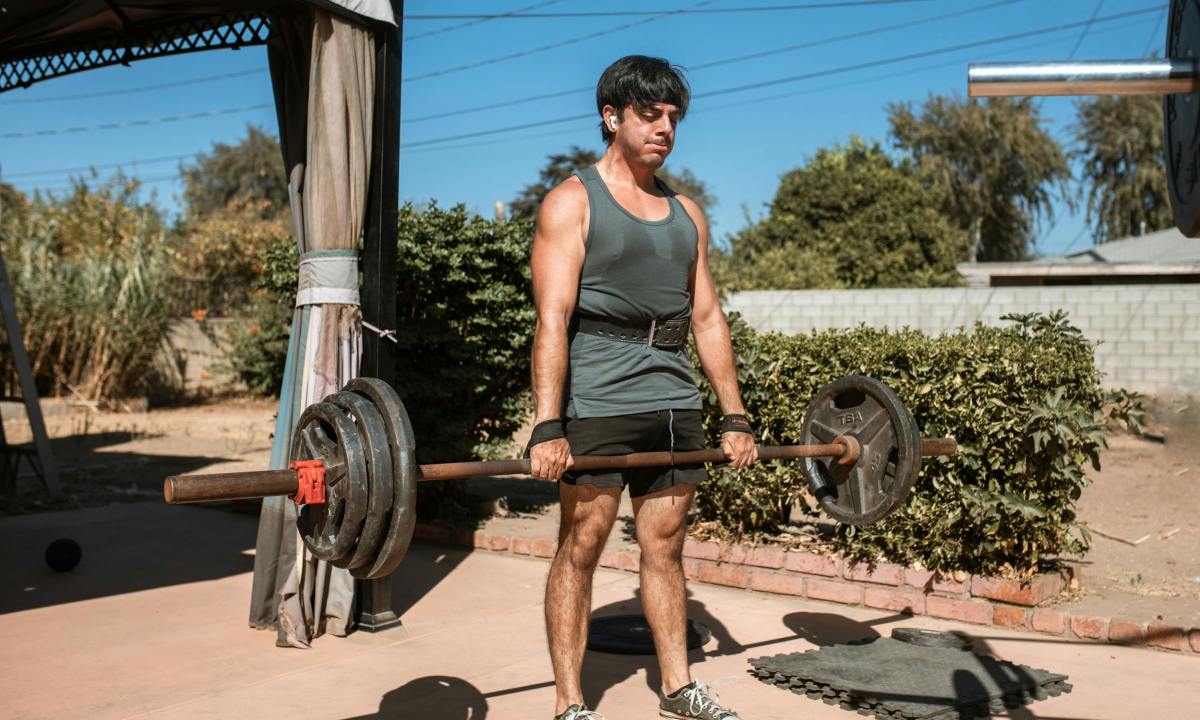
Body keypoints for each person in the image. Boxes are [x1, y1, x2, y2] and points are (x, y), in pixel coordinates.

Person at [527, 55, 758, 720]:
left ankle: (679, 688)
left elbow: (708, 318)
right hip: (597, 400)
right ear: (612, 117)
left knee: (666, 545)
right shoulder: (571, 202)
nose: (665, 128)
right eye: (650, 115)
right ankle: (571, 704)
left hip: (674, 400)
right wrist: (549, 424)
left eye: (673, 118)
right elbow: (553, 319)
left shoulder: (686, 214)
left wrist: (734, 415)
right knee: (582, 546)